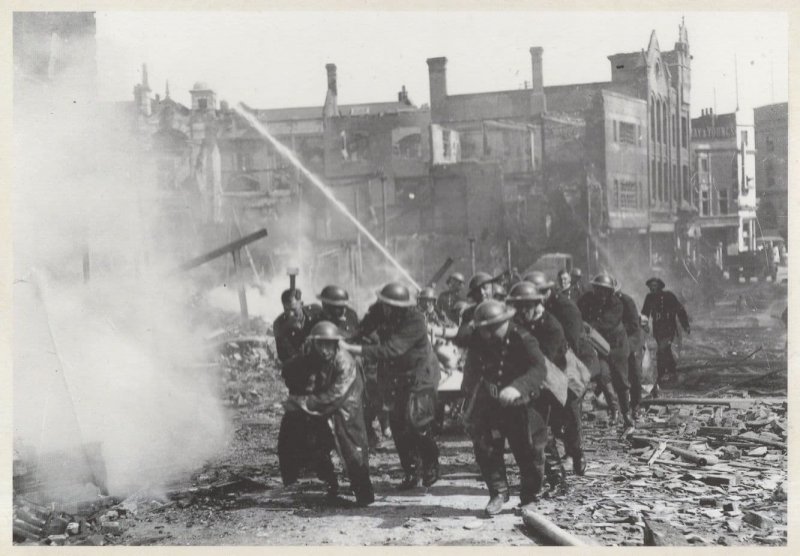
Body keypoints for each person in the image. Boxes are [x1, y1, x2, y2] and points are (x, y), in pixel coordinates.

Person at [342, 283, 442, 490]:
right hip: (395, 376)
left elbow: (391, 350)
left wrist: (353, 348)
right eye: (383, 303)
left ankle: (431, 463)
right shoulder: (379, 311)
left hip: (420, 374)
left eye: (389, 305)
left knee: (417, 423)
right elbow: (362, 330)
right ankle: (411, 471)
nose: (385, 308)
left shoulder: (415, 320)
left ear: (400, 307)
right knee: (398, 426)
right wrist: (343, 341)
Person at [461, 300, 549, 515]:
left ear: (500, 324)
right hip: (491, 401)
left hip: (523, 402)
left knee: (528, 450)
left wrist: (517, 387)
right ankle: (498, 492)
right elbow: (472, 368)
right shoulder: (479, 338)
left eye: (488, 328)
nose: (484, 334)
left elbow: (539, 369)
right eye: (482, 329)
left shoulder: (523, 338)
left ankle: (530, 497)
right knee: (486, 447)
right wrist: (467, 400)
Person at [281, 321, 375, 506]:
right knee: (309, 438)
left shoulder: (345, 361)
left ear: (336, 344)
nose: (324, 350)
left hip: (346, 406)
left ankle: (364, 492)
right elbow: (291, 371)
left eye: (328, 345)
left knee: (353, 449)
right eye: (320, 344)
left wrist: (304, 402)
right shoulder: (310, 355)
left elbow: (337, 394)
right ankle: (329, 482)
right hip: (321, 403)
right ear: (314, 343)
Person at [507, 282, 586, 481]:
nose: (521, 311)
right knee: (536, 430)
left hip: (560, 378)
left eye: (525, 306)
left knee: (568, 423)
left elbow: (543, 363)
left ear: (536, 304)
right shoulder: (520, 321)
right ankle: (554, 476)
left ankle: (577, 453)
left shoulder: (552, 326)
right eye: (518, 307)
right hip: (536, 382)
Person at [311, 285, 387, 448]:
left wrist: (371, 343)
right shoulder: (318, 321)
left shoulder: (351, 315)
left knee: (369, 393)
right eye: (338, 308)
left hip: (355, 362)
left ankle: (368, 430)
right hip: (328, 367)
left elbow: (360, 333)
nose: (343, 311)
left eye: (343, 306)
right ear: (326, 306)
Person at [273, 288, 324, 486]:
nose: (290, 313)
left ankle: (319, 469)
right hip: (298, 381)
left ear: (301, 303)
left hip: (321, 379)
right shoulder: (280, 325)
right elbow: (287, 357)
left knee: (320, 426)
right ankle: (292, 477)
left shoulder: (316, 314)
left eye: (293, 309)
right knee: (292, 428)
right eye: (286, 309)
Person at [578, 273, 634, 433]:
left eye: (604, 290)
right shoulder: (588, 299)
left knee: (621, 381)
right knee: (603, 377)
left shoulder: (617, 304)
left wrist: (586, 325)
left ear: (610, 291)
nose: (600, 293)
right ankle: (614, 410)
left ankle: (626, 414)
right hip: (599, 346)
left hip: (618, 346)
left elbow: (606, 323)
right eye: (598, 289)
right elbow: (577, 312)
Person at [641, 277, 690, 397]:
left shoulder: (668, 296)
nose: (652, 288)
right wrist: (644, 325)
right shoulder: (649, 298)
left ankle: (662, 374)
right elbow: (645, 313)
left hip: (669, 327)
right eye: (651, 286)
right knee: (664, 350)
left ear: (659, 286)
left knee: (662, 350)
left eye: (655, 285)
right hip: (658, 329)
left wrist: (685, 325)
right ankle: (671, 372)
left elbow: (680, 310)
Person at [614, 279, 645, 421]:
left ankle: (636, 406)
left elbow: (633, 325)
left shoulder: (627, 301)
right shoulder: (607, 303)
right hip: (619, 341)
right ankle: (622, 408)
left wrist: (617, 330)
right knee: (620, 375)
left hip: (633, 340)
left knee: (635, 374)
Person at [453, 272, 496, 347]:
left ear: (492, 289)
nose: (482, 292)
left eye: (485, 288)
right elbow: (461, 337)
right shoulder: (468, 313)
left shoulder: (503, 309)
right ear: (473, 294)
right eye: (477, 290)